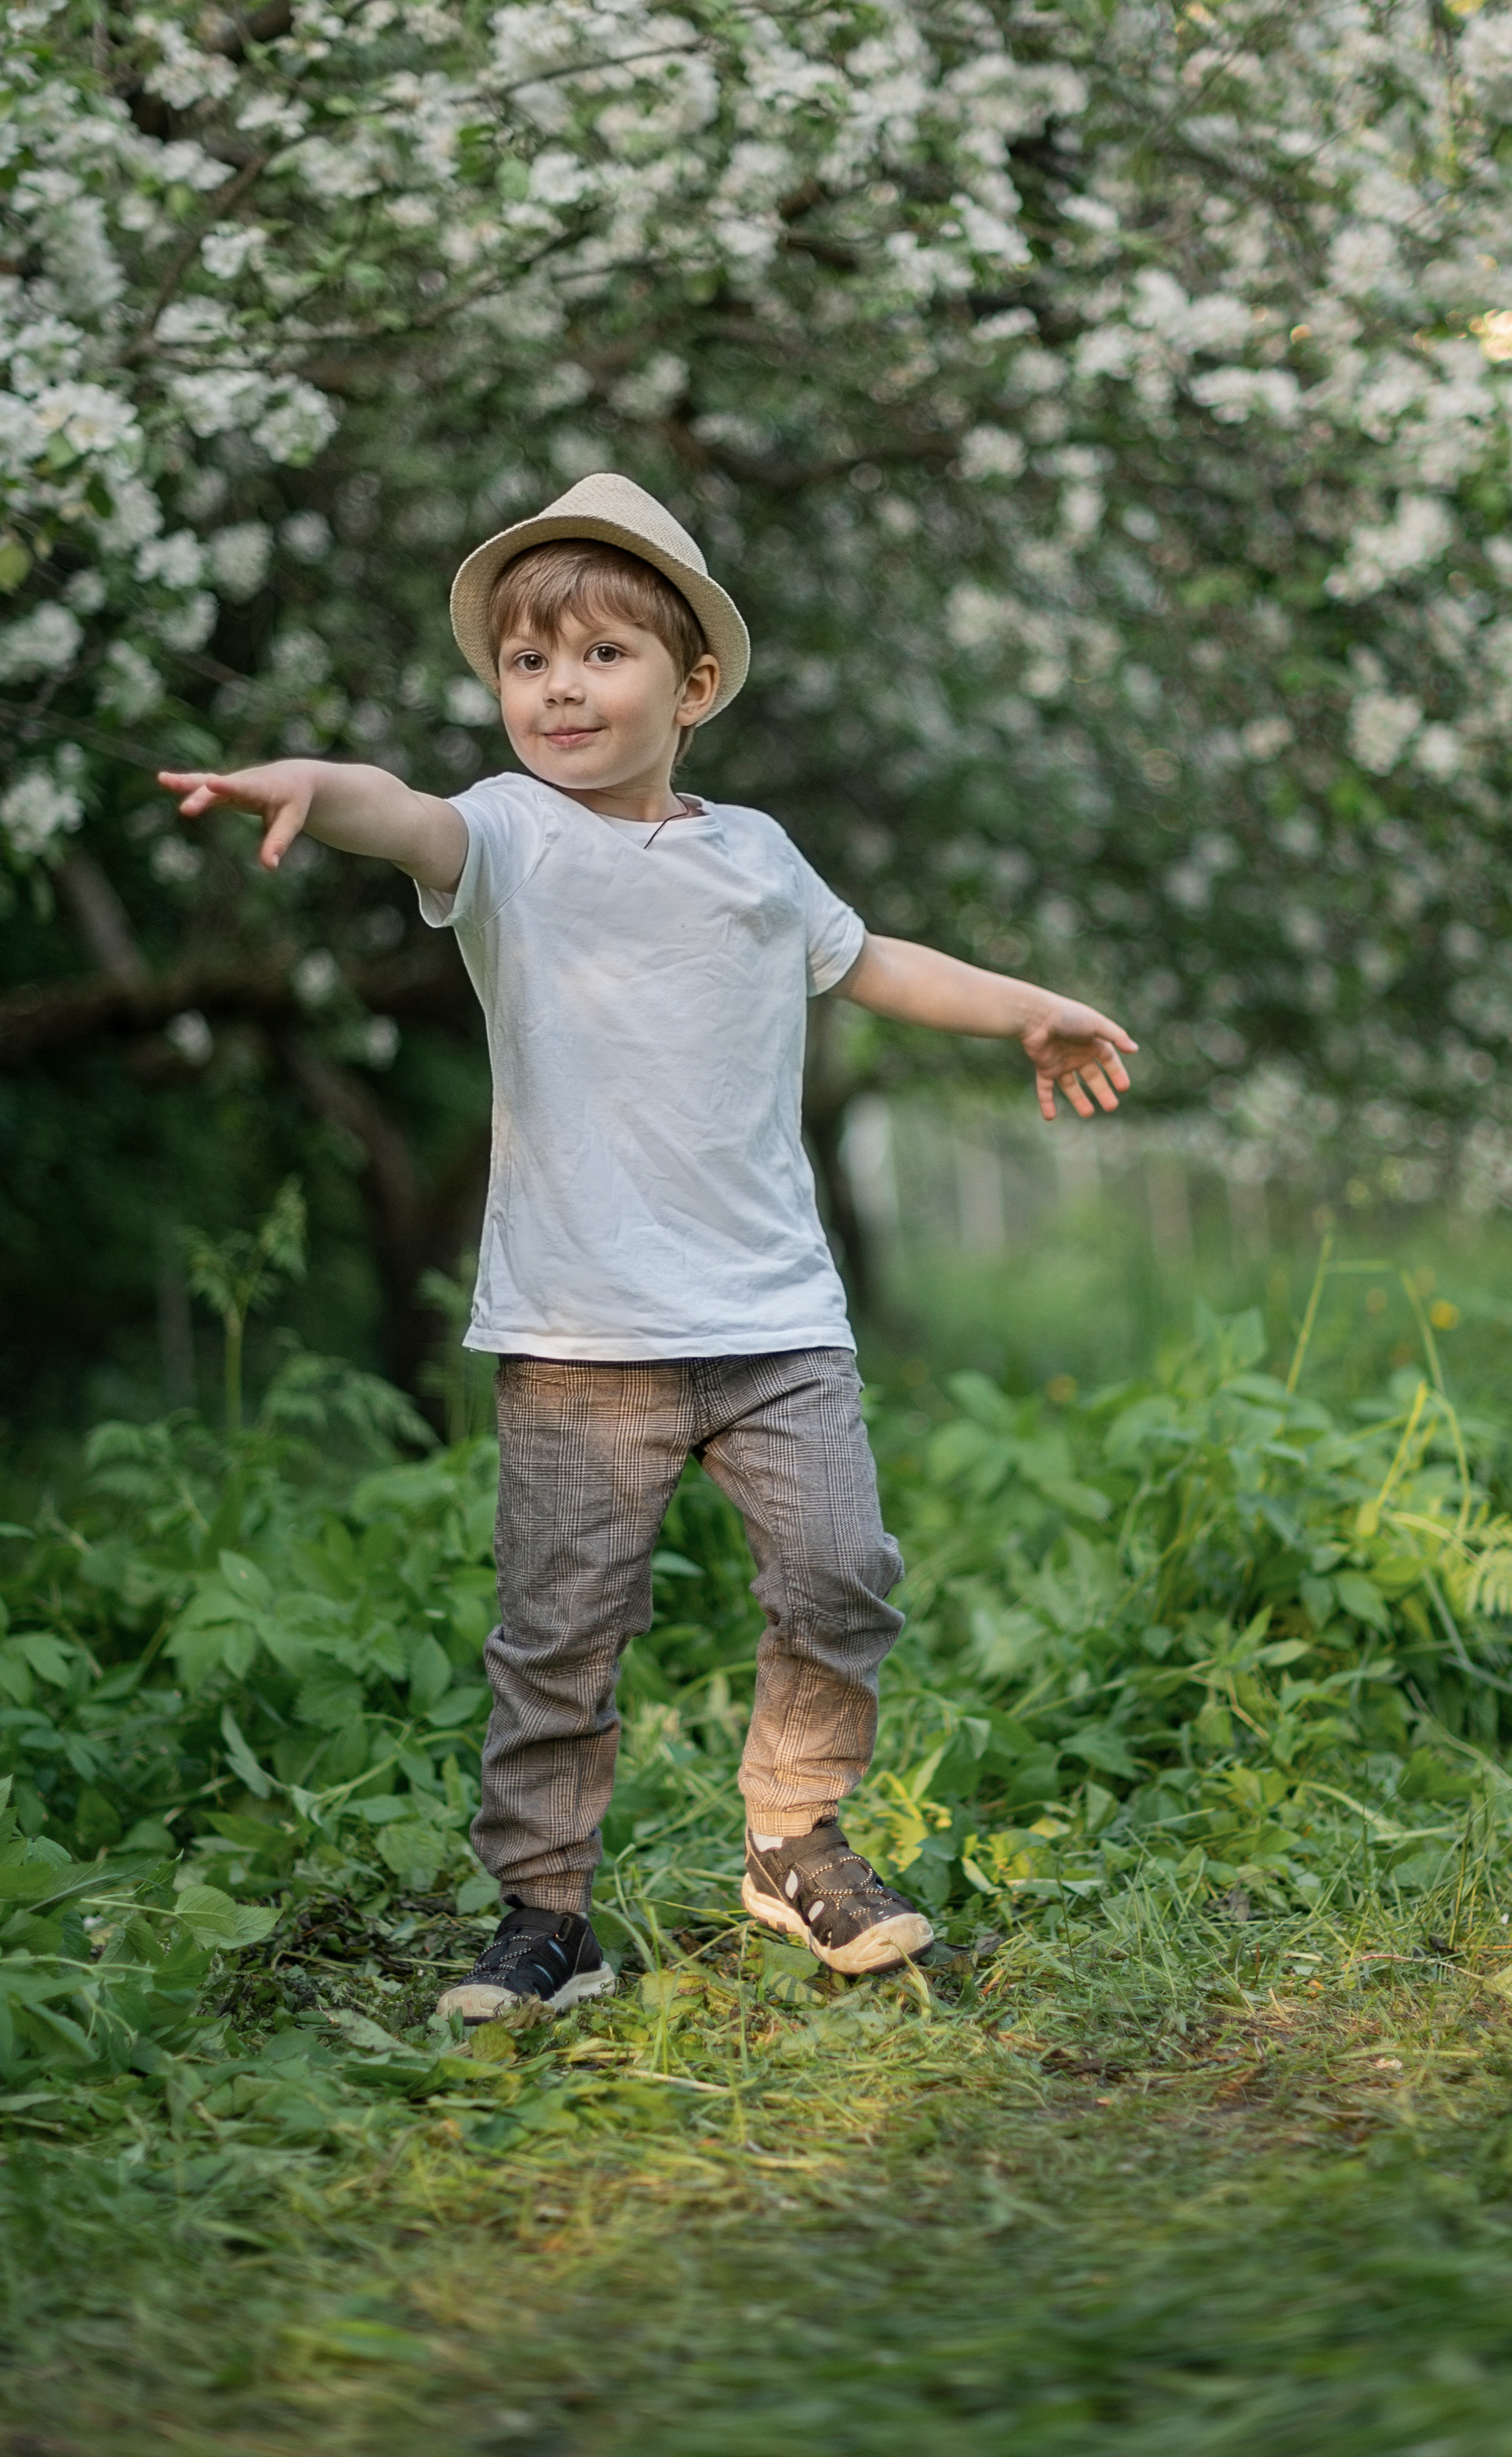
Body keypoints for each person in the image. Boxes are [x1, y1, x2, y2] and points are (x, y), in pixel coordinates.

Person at [160, 471, 1135, 2021]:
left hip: (770, 1321)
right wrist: (307, 781)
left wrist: (1025, 1004)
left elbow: (868, 960)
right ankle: (544, 1918)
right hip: (576, 1331)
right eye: (524, 663)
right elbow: (392, 808)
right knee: (559, 1636)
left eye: (597, 657)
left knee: (838, 1573)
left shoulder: (754, 853)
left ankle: (790, 1842)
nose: (555, 688)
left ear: (687, 690)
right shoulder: (503, 841)